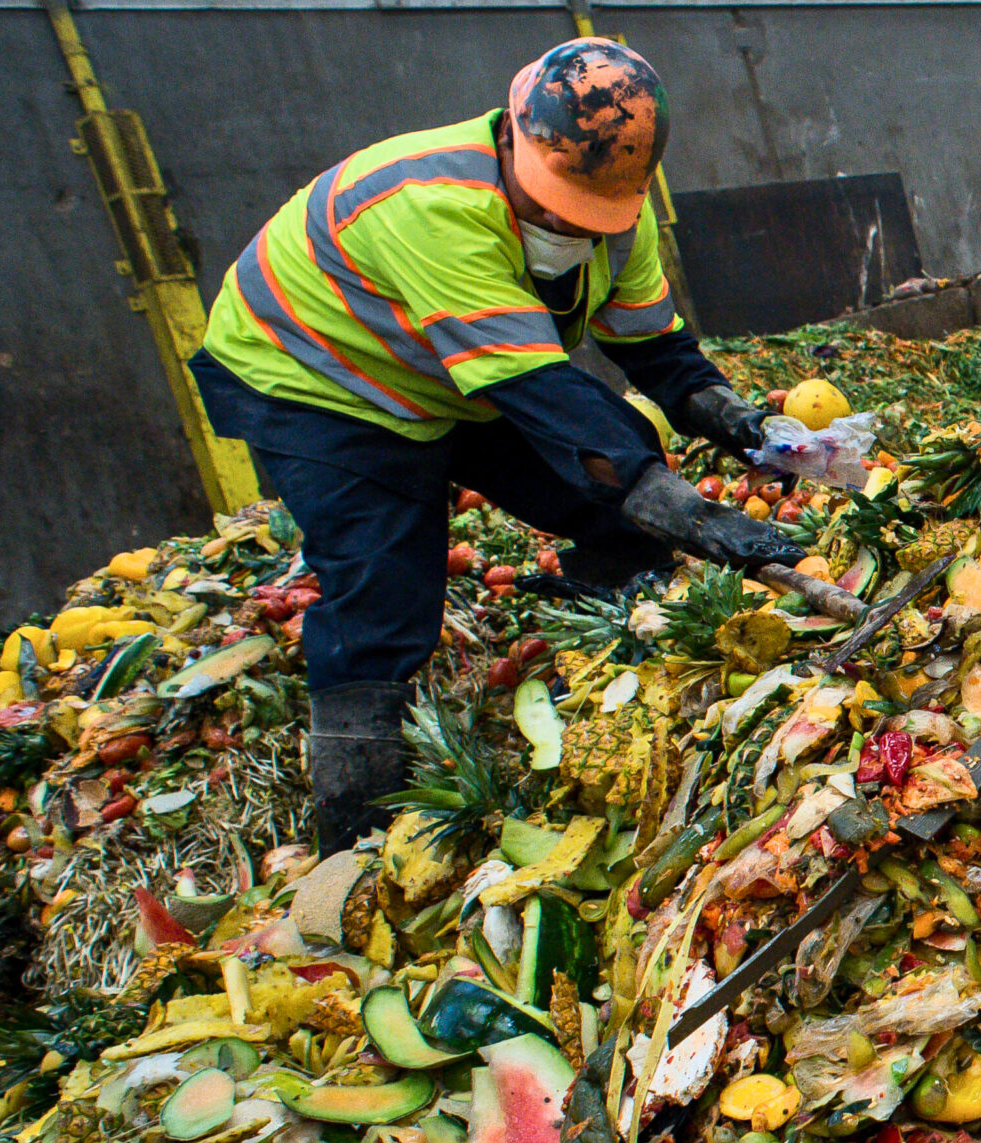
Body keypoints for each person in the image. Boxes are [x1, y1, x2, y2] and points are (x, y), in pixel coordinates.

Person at [187, 39, 803, 853]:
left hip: (454, 365)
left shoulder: (619, 212)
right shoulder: (433, 205)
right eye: (550, 204)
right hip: (320, 377)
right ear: (511, 138)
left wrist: (738, 420)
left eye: (582, 213)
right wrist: (683, 506)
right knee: (384, 584)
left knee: (609, 488)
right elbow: (539, 393)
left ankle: (613, 644)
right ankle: (354, 834)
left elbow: (654, 346)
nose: (561, 223)